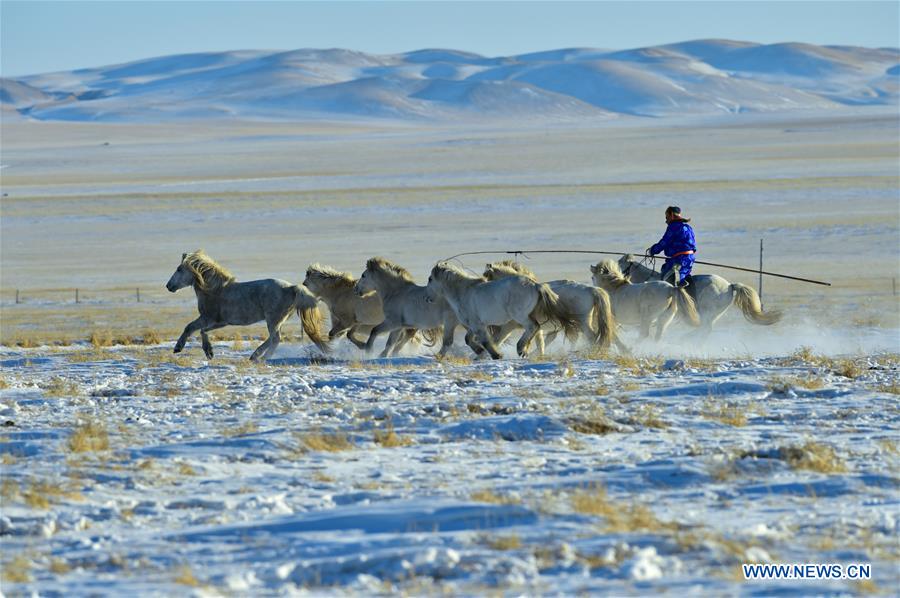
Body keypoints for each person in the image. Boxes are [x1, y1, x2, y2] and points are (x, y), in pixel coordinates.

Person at [647, 206, 696, 287]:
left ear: (672, 215)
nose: (666, 220)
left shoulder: (673, 226)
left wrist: (652, 250)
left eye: (667, 217)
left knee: (664, 278)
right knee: (683, 272)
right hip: (689, 259)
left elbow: (664, 242)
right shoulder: (688, 227)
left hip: (679, 259)